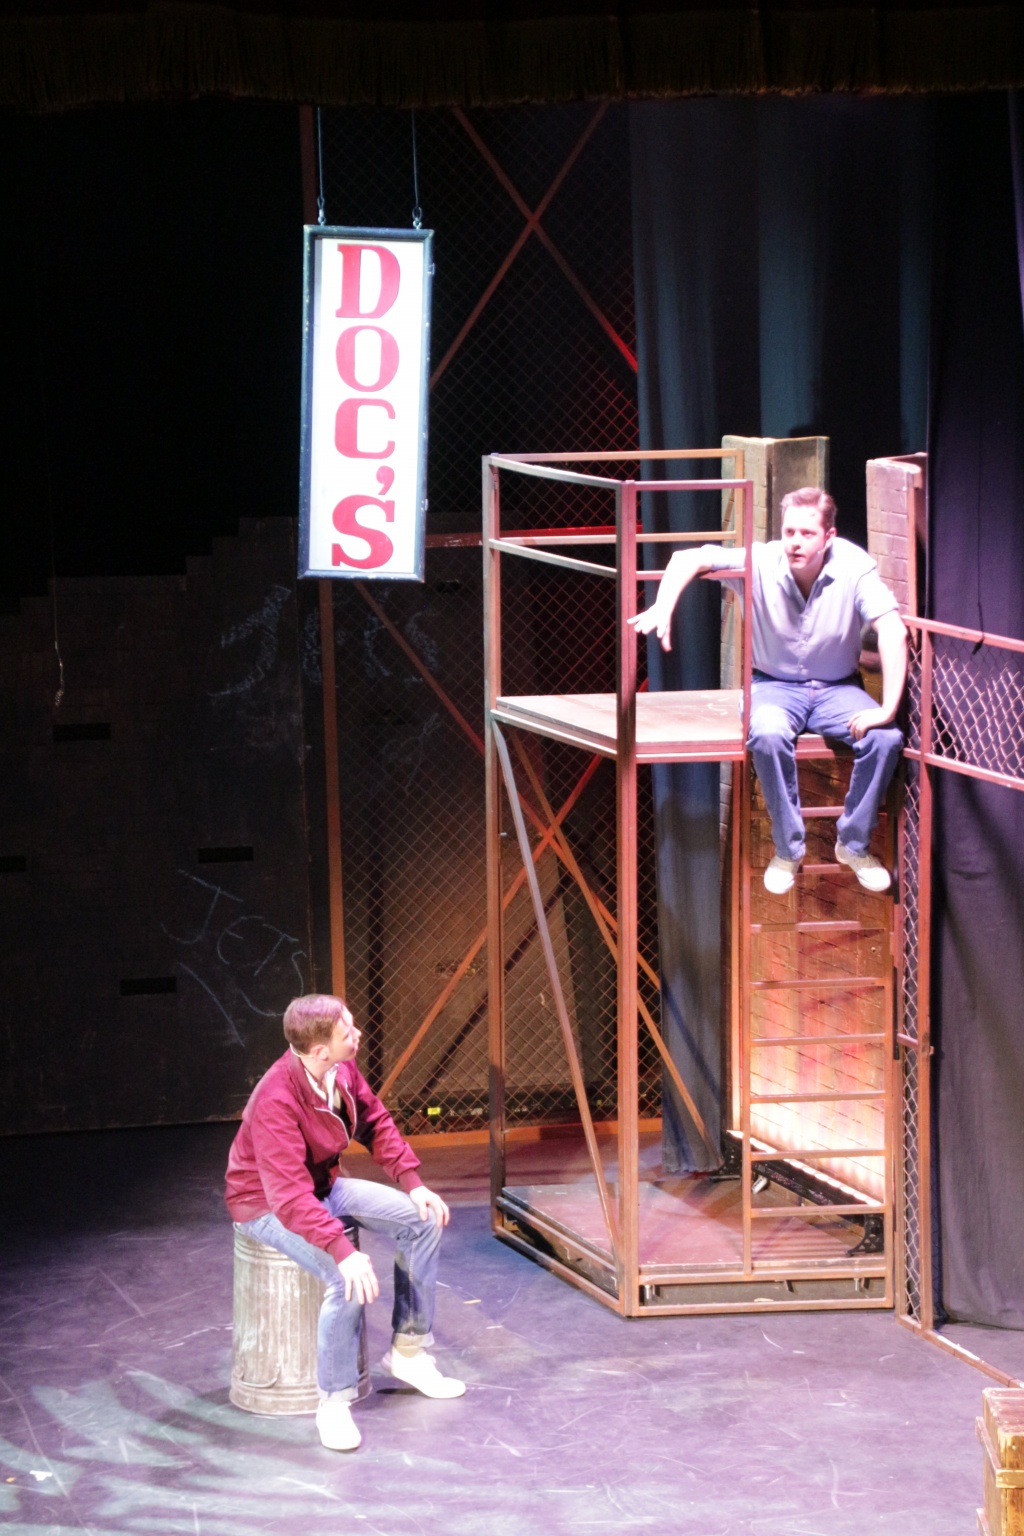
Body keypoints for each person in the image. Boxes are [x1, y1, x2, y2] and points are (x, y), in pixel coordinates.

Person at [629, 486, 907, 895]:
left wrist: (887, 709)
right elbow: (687, 558)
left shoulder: (853, 565)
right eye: (789, 531)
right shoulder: (761, 560)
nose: (795, 542)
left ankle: (853, 844)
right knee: (767, 734)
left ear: (828, 536)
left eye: (807, 534)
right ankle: (789, 849)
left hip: (836, 688)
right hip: (774, 686)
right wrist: (663, 605)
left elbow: (893, 631)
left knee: (886, 738)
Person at [225, 993, 465, 1452]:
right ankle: (333, 1403)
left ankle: (409, 1352)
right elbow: (288, 1196)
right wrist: (341, 1250)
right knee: (346, 1278)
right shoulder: (276, 1098)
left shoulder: (340, 1070)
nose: (358, 1035)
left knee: (423, 1220)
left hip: (323, 1185)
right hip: (265, 1205)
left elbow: (375, 1120)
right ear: (320, 1050)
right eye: (347, 1033)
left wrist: (412, 1182)